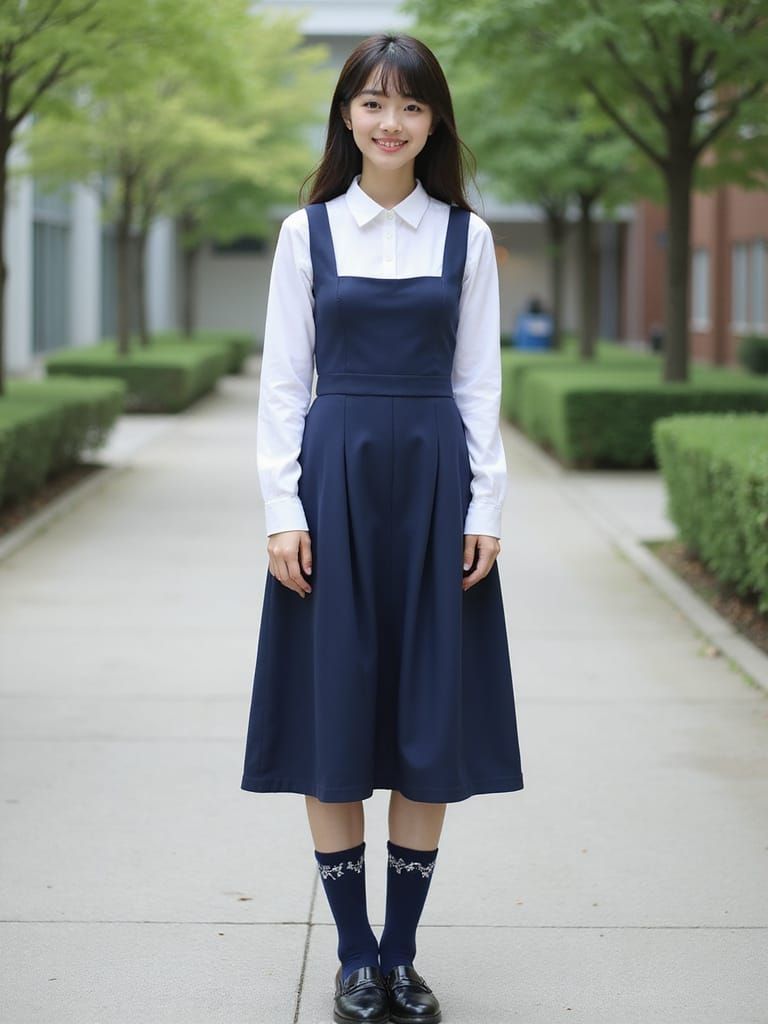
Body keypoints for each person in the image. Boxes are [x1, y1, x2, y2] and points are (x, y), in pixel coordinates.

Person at [240, 32, 524, 1024]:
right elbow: (284, 385)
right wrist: (283, 511)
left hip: (438, 488)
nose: (390, 122)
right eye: (372, 102)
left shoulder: (466, 237)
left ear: (434, 120)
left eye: (410, 104)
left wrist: (486, 507)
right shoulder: (307, 233)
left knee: (425, 717)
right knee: (334, 717)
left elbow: (479, 384)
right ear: (347, 115)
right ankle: (354, 957)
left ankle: (402, 955)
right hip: (336, 487)